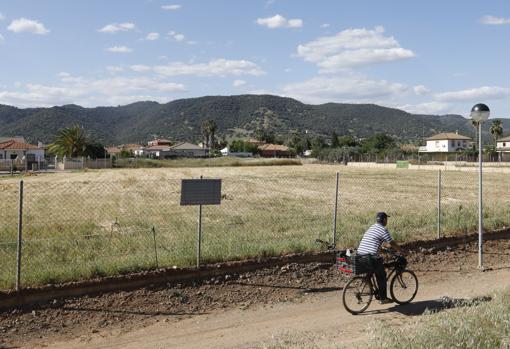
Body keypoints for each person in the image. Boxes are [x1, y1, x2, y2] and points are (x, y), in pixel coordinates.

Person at [357, 212, 402, 304]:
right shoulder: (383, 230)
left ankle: (370, 286)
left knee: (373, 270)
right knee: (381, 275)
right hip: (371, 257)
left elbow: (375, 243)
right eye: (387, 219)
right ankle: (383, 298)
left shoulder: (372, 227)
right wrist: (400, 250)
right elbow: (392, 243)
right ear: (385, 220)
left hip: (360, 254)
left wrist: (384, 251)